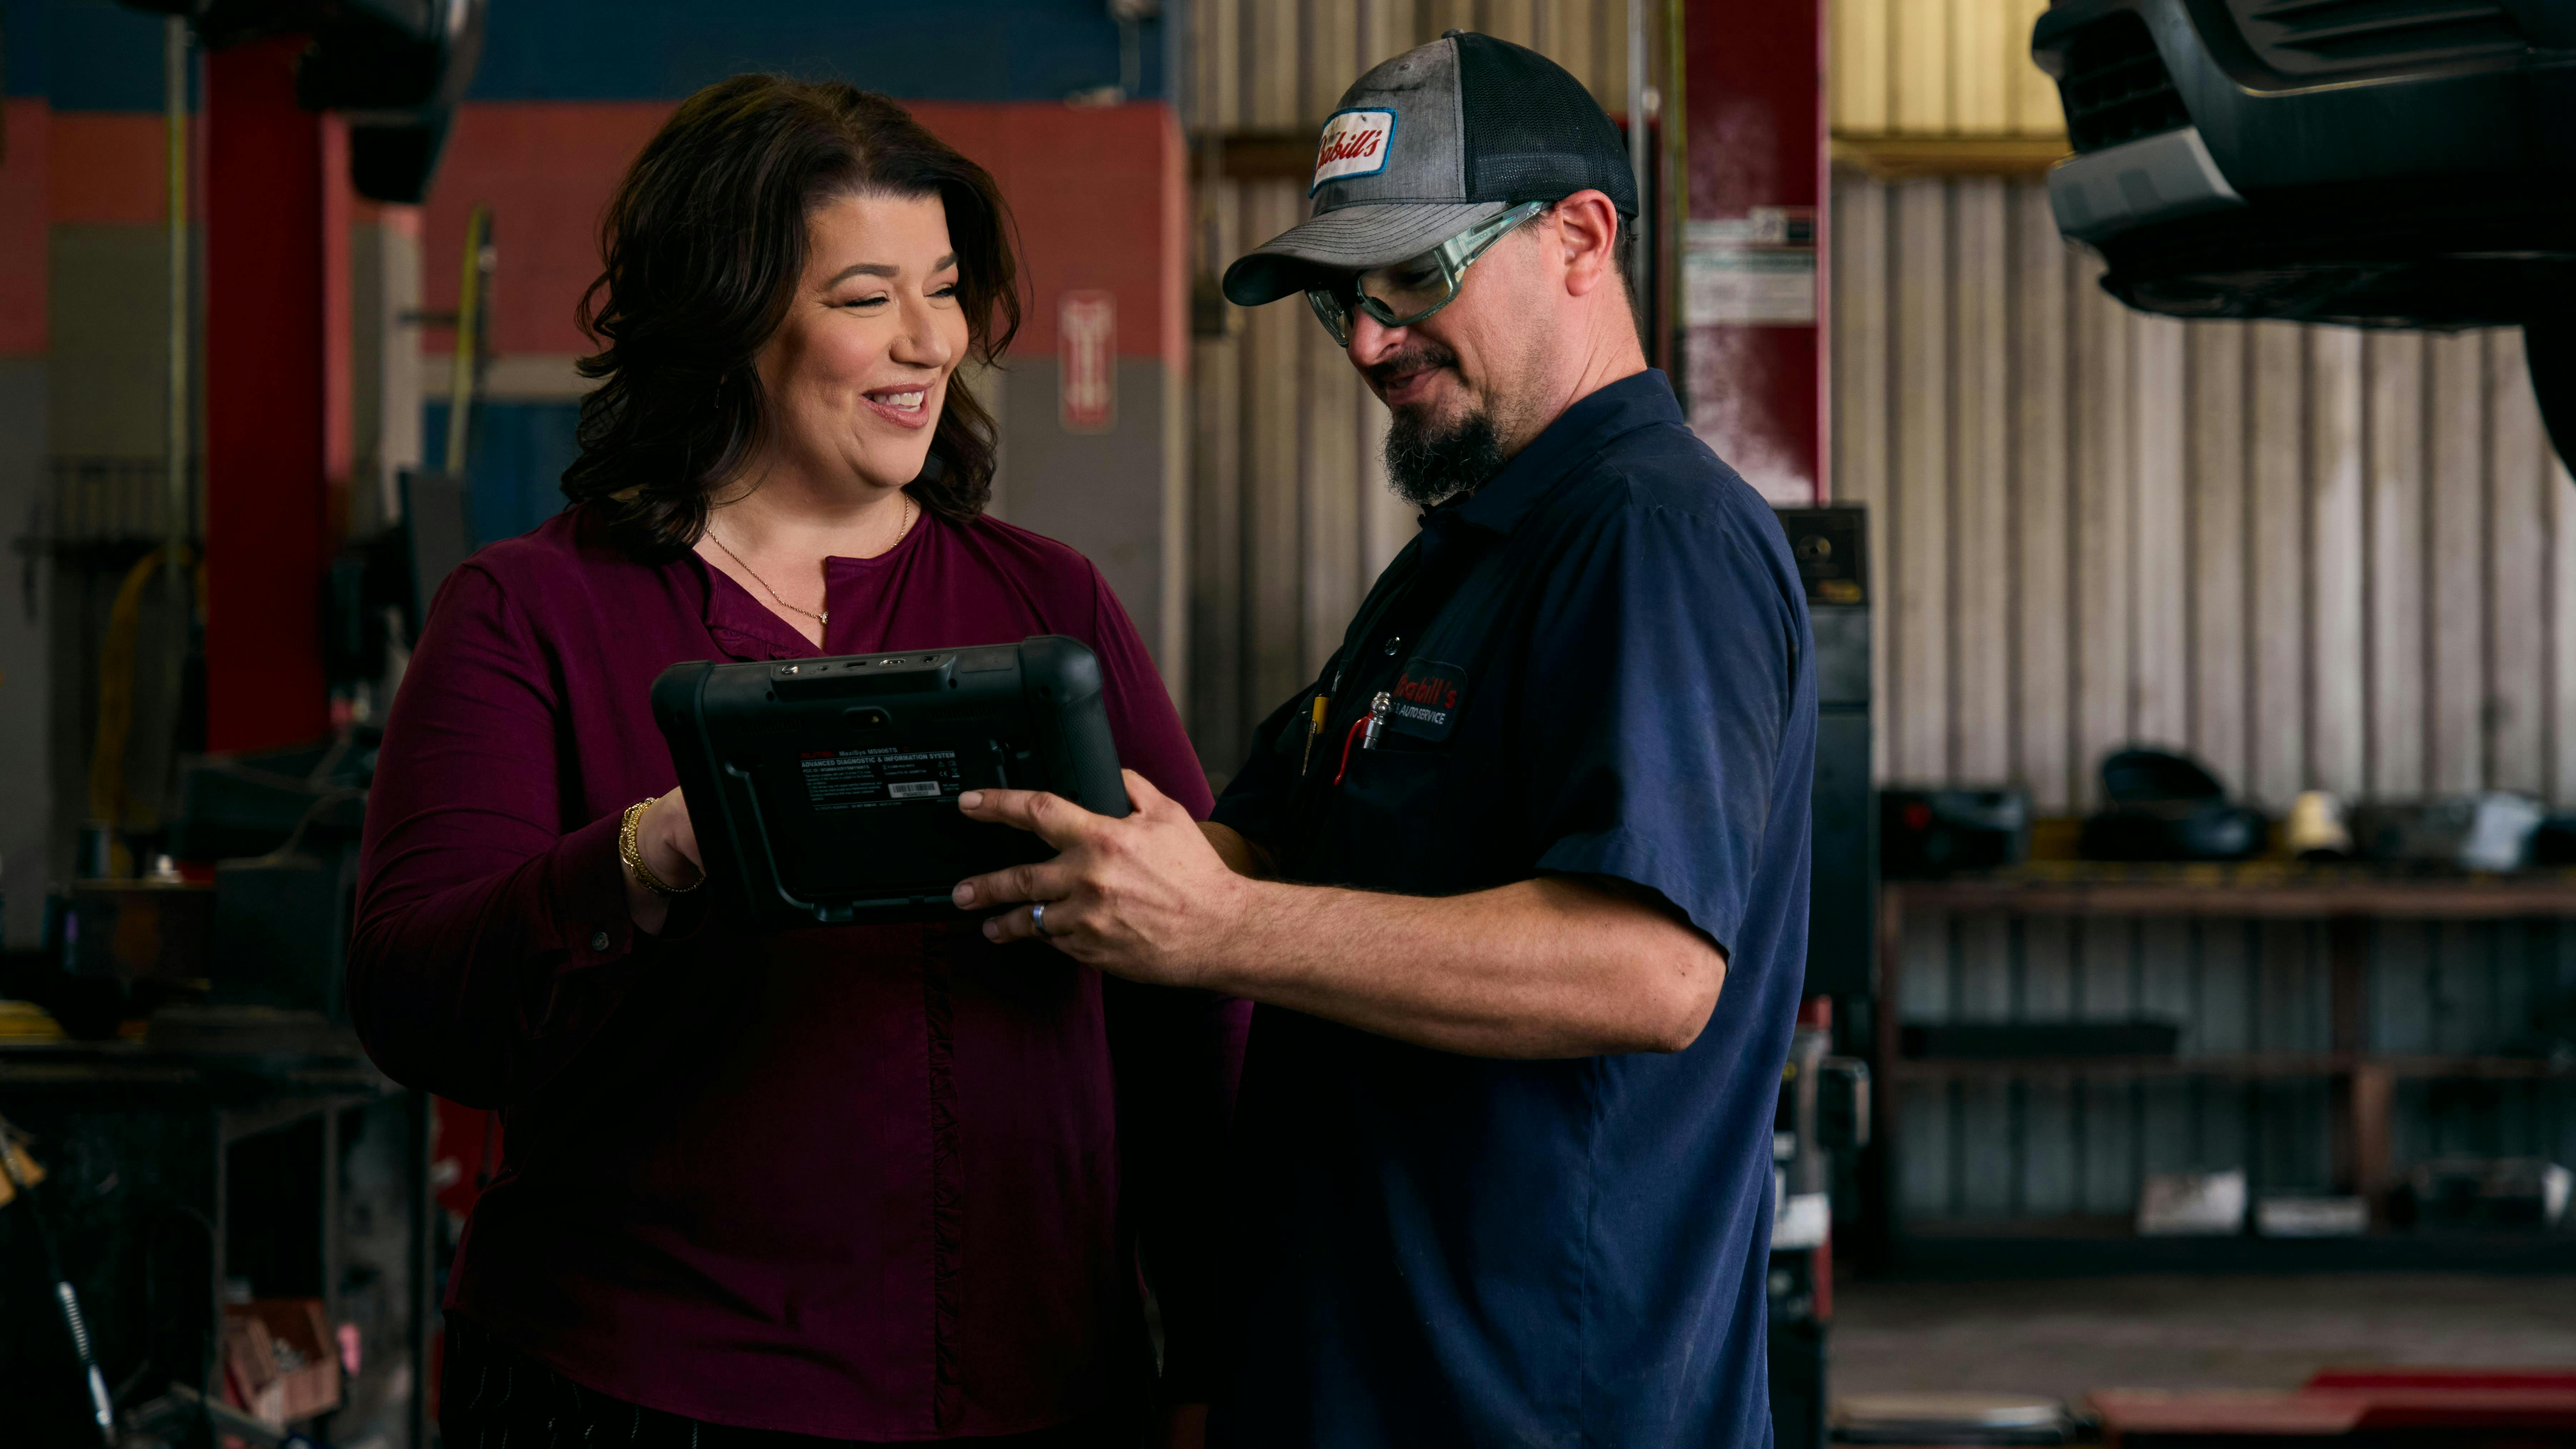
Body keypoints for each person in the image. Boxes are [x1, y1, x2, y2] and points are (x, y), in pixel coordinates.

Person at [948, 32, 1816, 1448]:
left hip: (1536, 1407)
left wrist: (1217, 928)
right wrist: (1032, 837)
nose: (1366, 341)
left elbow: (1646, 969)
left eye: (1415, 278)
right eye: (1343, 300)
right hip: (1359, 1377)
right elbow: (1267, 846)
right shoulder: (1454, 560)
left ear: (1579, 238)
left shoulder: (1650, 536)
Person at [351, 76, 1242, 1447]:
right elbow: (413, 997)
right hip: (645, 1392)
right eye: (863, 296)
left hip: (1036, 1386)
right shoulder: (532, 610)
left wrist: (1211, 1355)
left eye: (943, 290)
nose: (926, 342)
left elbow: (1190, 1013)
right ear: (727, 321)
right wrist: (657, 846)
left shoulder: (1050, 603)